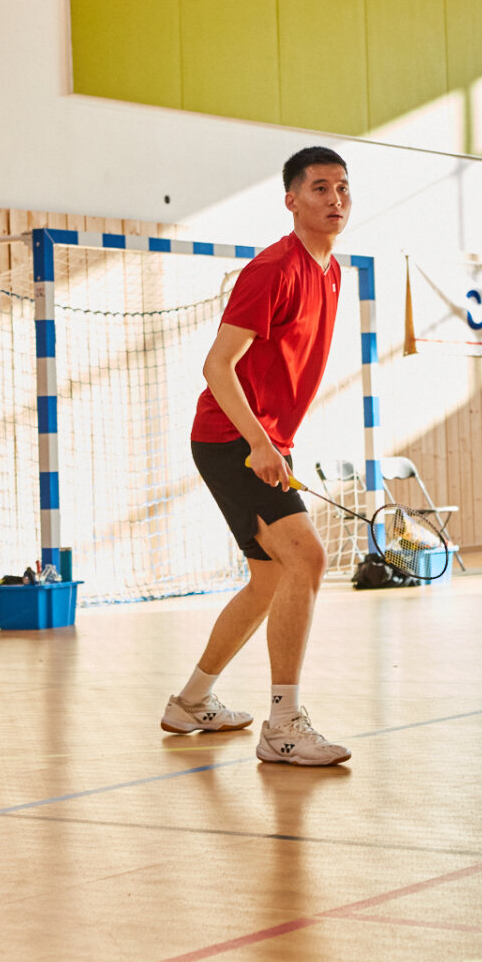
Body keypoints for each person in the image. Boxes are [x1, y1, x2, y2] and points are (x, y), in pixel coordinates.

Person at [166, 146, 353, 766]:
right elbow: (217, 366)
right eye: (320, 188)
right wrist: (258, 442)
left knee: (271, 578)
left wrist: (272, 442)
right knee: (309, 557)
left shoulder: (331, 270)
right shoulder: (273, 269)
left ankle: (192, 701)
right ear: (291, 200)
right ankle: (284, 726)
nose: (335, 199)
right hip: (231, 439)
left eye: (342, 188)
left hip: (260, 441)